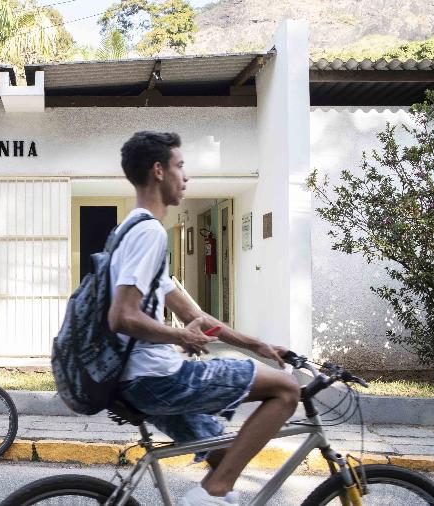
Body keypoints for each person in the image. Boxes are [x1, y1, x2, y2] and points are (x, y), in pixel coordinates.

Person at [107, 131, 301, 506]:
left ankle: (214, 491)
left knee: (226, 454)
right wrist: (180, 338)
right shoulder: (149, 233)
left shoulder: (128, 231)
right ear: (159, 171)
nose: (187, 176)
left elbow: (193, 315)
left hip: (138, 380)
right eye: (181, 166)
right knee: (286, 390)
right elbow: (123, 316)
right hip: (157, 377)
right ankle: (210, 494)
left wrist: (255, 344)